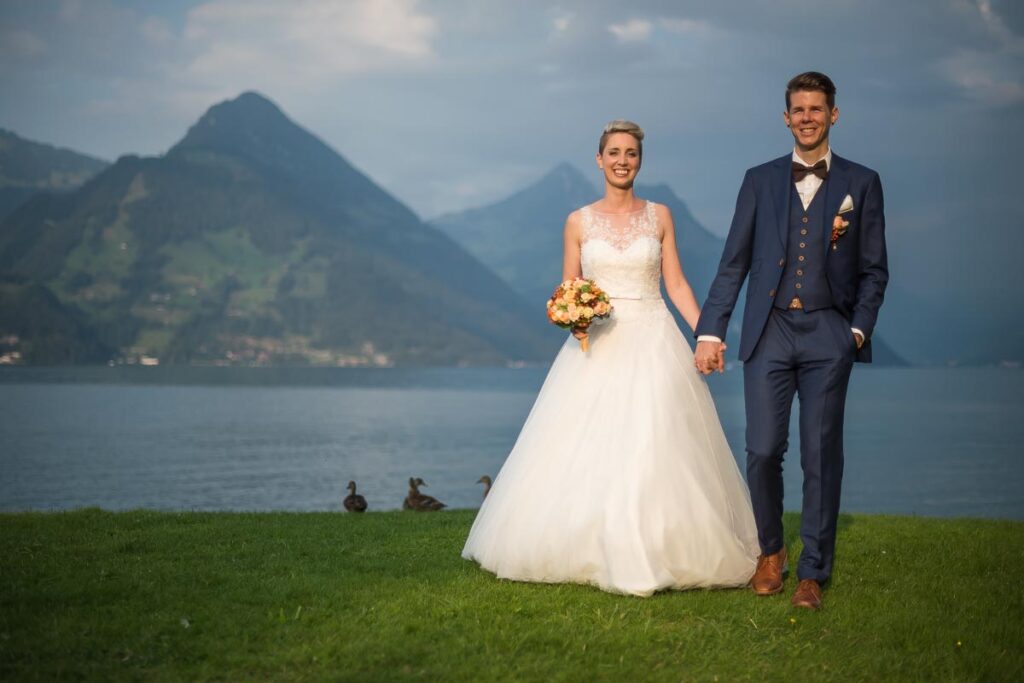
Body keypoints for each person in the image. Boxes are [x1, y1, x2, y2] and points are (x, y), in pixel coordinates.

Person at [461, 121, 759, 597]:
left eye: (632, 153)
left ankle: (661, 545)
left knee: (656, 441)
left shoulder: (660, 216)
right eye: (615, 152)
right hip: (596, 345)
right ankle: (587, 542)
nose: (623, 160)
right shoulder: (578, 222)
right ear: (599, 160)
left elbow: (676, 283)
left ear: (640, 161)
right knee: (588, 444)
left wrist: (708, 332)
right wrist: (573, 317)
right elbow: (570, 288)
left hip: (654, 337)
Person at [694, 72, 888, 610]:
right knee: (762, 450)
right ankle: (771, 552)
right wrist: (712, 328)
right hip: (769, 332)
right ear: (786, 118)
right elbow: (733, 262)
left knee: (821, 454)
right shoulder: (758, 180)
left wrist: (856, 330)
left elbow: (875, 270)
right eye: (798, 109)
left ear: (834, 115)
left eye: (816, 109)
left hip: (830, 332)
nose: (807, 117)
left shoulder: (862, 182)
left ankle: (813, 571)